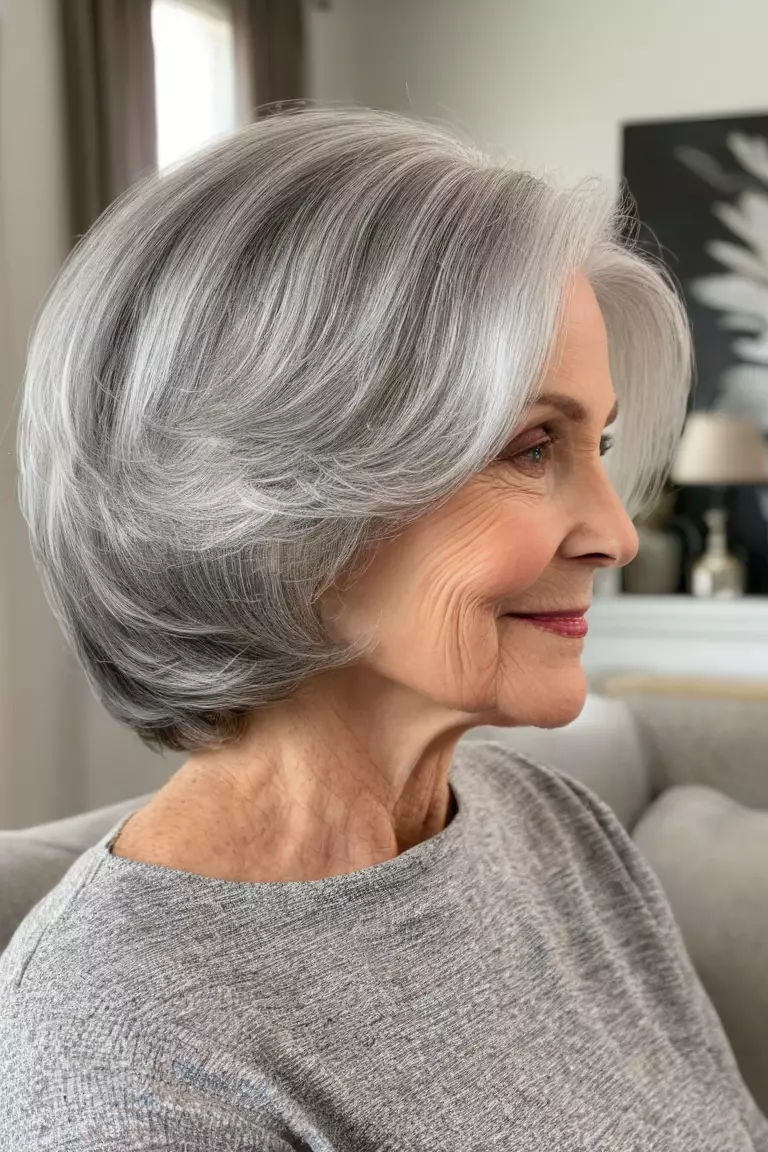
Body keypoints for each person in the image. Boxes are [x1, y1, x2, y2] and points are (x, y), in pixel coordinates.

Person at [2, 104, 766, 1151]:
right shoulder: (120, 1048)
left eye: (603, 443)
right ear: (277, 498)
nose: (614, 535)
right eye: (531, 446)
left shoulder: (560, 832)